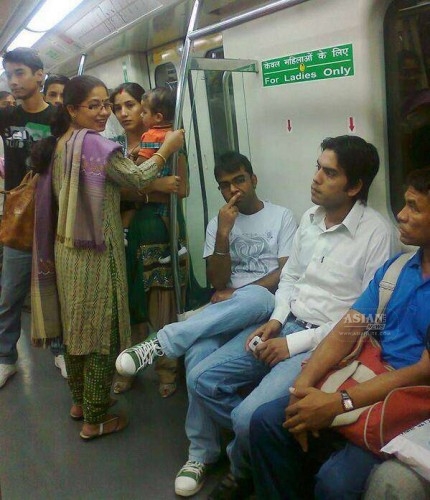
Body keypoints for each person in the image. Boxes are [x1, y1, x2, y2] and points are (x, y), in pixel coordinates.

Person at [186, 136, 397, 499]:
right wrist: (277, 321)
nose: (315, 177)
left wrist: (292, 344)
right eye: (318, 167)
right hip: (286, 324)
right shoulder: (309, 218)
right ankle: (261, 445)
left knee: (246, 418)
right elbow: (291, 279)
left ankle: (241, 469)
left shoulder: (377, 234)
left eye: (329, 172)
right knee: (201, 378)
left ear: (355, 186)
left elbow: (365, 320)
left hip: (322, 344)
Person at [116, 150, 297, 495]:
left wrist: (239, 292)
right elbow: (217, 281)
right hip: (227, 310)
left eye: (240, 181)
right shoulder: (219, 222)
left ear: (253, 179)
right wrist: (225, 234)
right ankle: (201, 454)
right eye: (225, 186)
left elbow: (285, 274)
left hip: (263, 311)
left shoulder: (282, 217)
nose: (234, 191)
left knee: (256, 296)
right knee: (198, 351)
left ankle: (162, 342)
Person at [249, 167, 430, 499]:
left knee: (337, 482)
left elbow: (421, 372)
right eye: (402, 205)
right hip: (367, 375)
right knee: (266, 422)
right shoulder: (397, 269)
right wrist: (301, 389)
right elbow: (347, 331)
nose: (401, 216)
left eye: (414, 208)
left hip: (408, 400)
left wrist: (337, 403)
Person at [30, 75, 184, 439]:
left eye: (106, 105)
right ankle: (95, 419)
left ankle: (81, 401)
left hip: (67, 249)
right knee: (98, 335)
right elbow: (136, 176)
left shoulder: (61, 143)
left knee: (75, 332)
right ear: (72, 109)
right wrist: (168, 147)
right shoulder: (96, 146)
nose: (104, 113)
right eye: (95, 106)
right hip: (95, 252)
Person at [110, 82, 189, 397]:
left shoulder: (169, 140)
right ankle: (127, 365)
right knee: (129, 299)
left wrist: (147, 186)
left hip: (158, 225)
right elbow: (119, 190)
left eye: (131, 105)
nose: (125, 113)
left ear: (151, 113)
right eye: (118, 107)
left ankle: (166, 366)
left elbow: (181, 188)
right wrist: (155, 184)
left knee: (162, 298)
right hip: (126, 230)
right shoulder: (114, 147)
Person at [0, 47, 57, 389]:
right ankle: (6, 356)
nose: (14, 81)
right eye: (10, 75)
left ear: (39, 75)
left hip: (53, 212)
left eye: (20, 73)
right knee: (11, 290)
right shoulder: (6, 117)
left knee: (58, 287)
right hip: (19, 215)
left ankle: (61, 348)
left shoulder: (59, 117)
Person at [127, 86, 187, 264]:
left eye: (143, 112)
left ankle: (174, 245)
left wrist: (135, 165)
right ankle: (175, 244)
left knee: (166, 215)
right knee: (168, 215)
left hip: (155, 181)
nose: (140, 116)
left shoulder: (151, 136)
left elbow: (139, 171)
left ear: (158, 117)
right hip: (164, 192)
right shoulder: (173, 134)